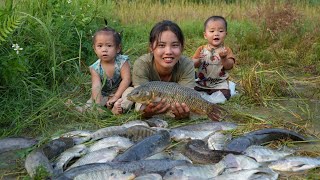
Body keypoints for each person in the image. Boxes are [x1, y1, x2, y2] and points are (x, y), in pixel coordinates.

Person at [131, 20, 196, 119]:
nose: (168, 51)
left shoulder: (187, 64)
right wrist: (145, 112)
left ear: (182, 47)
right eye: (161, 45)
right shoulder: (141, 64)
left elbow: (189, 97)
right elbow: (140, 102)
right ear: (151, 48)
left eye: (174, 45)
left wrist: (184, 113)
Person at [77, 26, 131, 114]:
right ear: (94, 49)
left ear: (118, 48)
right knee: (91, 102)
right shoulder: (95, 68)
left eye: (109, 46)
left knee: (129, 94)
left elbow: (127, 79)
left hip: (121, 91)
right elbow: (96, 86)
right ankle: (85, 110)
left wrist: (116, 96)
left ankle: (118, 108)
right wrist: (98, 103)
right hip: (104, 94)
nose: (104, 50)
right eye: (100, 46)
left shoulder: (122, 61)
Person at [192, 16, 236, 100]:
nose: (216, 34)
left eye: (220, 31)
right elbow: (193, 64)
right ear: (205, 35)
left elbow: (229, 66)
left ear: (226, 34)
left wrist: (224, 58)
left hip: (219, 83)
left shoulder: (226, 50)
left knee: (226, 95)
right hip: (202, 82)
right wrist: (198, 60)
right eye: (212, 31)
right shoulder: (201, 49)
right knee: (191, 91)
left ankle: (214, 95)